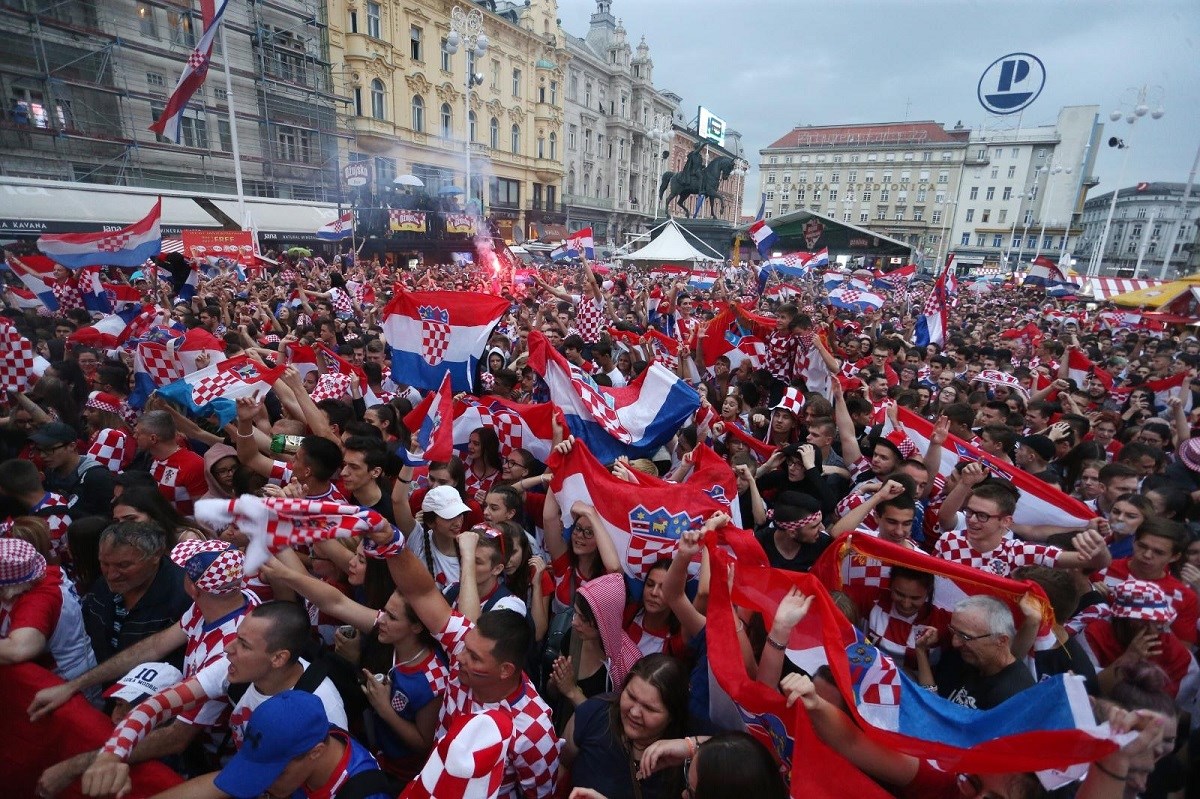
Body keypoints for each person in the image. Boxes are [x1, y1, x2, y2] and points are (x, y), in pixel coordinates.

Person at [58, 601, 350, 797]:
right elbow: (157, 705)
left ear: (278, 658)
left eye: (243, 645)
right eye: (235, 638)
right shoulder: (234, 667)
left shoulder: (322, 710)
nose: (227, 650)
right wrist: (113, 753)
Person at [366, 518, 561, 797]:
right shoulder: (465, 644)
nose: (459, 660)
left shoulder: (534, 731)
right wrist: (391, 544)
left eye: (475, 658)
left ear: (506, 669)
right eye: (465, 649)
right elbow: (420, 593)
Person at [82, 522, 192, 667]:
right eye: (105, 564)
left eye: (124, 565)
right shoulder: (100, 588)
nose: (111, 575)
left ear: (156, 555)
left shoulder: (185, 596)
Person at [917, 595, 1035, 710]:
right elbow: (933, 704)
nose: (955, 643)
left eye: (965, 636)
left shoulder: (1014, 698)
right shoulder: (964, 657)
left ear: (1001, 640)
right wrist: (921, 651)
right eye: (953, 631)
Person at [0, 537, 95, 679]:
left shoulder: (37, 602)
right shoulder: (38, 573)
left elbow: (20, 649)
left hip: (66, 682)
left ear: (6, 589)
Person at [135, 411, 207, 516]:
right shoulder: (154, 460)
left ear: (153, 438)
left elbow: (204, 513)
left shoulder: (193, 465)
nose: (134, 436)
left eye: (137, 433)